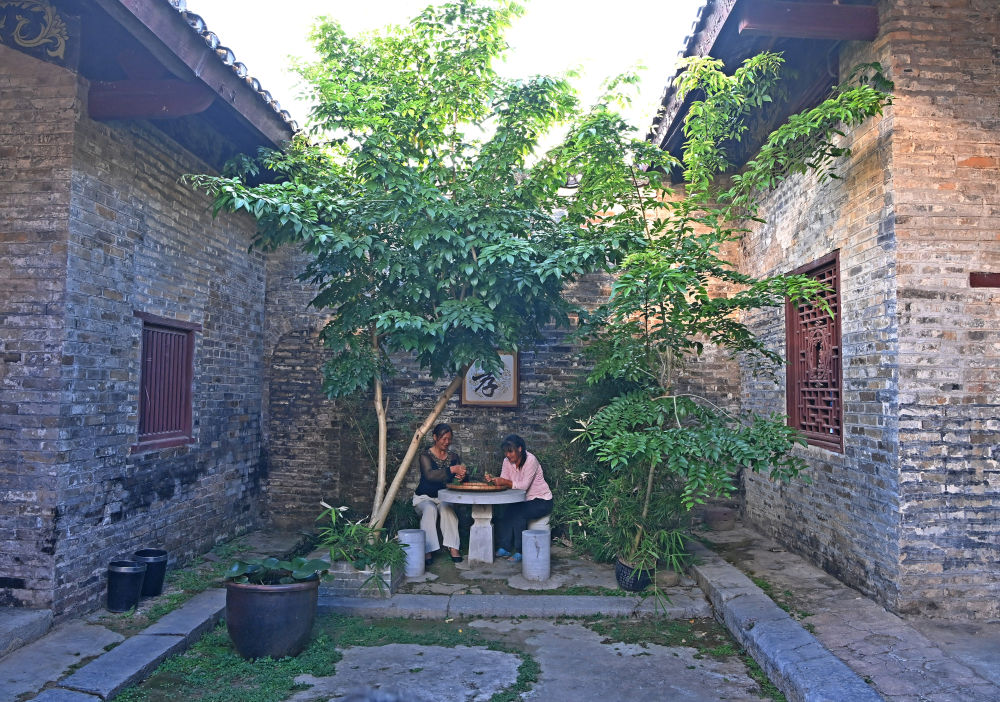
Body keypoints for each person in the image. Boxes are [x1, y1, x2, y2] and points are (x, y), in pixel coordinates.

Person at [484, 433, 552, 562]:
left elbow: (524, 486)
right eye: (506, 452)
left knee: (518, 513)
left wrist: (504, 482)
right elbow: (504, 480)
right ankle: (505, 547)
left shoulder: (531, 460)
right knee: (508, 511)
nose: (507, 455)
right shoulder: (506, 461)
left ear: (520, 449)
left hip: (542, 500)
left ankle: (520, 551)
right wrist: (494, 480)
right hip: (523, 501)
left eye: (510, 451)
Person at [413, 423, 467, 565]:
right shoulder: (425, 456)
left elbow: (457, 481)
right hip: (424, 498)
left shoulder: (454, 457)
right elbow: (430, 476)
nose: (447, 442)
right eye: (443, 439)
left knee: (446, 508)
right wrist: (452, 470)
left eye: (449, 439)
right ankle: (427, 550)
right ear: (435, 437)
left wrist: (461, 477)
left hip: (444, 497)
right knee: (430, 509)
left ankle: (453, 547)